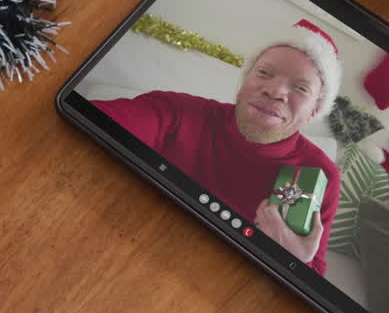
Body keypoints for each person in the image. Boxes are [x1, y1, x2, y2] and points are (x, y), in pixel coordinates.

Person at [91, 19, 343, 274]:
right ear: (244, 81)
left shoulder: (323, 175)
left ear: (314, 111)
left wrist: (295, 262)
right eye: (265, 73)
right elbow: (93, 120)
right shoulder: (176, 111)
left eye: (301, 88)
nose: (275, 90)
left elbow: (312, 278)